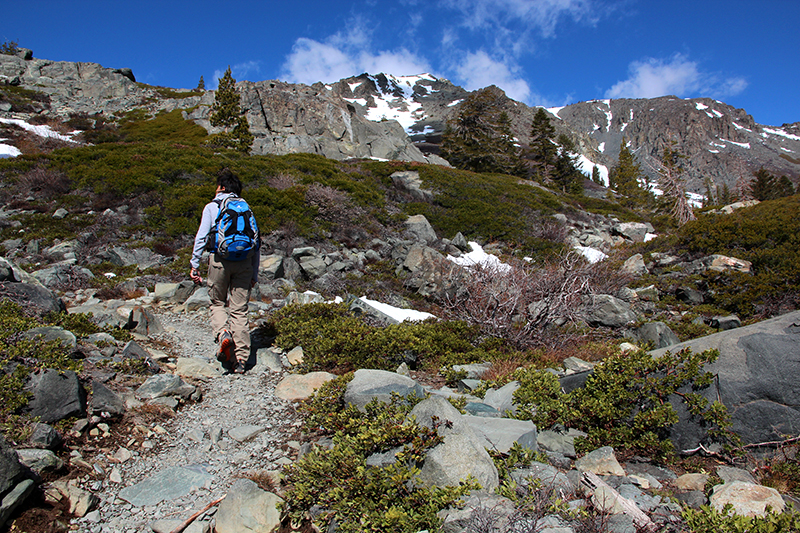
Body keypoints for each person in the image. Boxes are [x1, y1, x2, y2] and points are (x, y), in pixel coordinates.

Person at [190, 169, 260, 373]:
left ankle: (223, 335)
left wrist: (195, 264)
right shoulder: (247, 209)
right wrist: (254, 274)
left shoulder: (212, 207)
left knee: (218, 302)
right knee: (239, 310)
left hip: (219, 261)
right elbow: (256, 244)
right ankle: (241, 359)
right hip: (245, 263)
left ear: (221, 187)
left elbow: (201, 237)